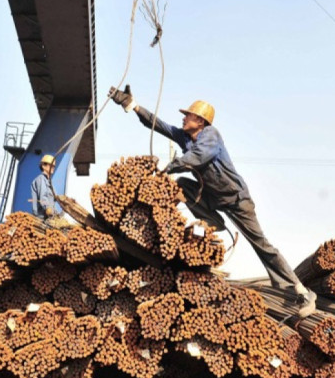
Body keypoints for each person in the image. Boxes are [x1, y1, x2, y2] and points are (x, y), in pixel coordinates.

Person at [109, 85, 316, 318]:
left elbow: (197, 157)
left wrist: (171, 166)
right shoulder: (186, 137)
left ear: (201, 120)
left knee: (261, 245)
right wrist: (132, 106)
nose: (184, 118)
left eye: (188, 115)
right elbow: (160, 125)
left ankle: (300, 290)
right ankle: (212, 222)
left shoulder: (210, 135)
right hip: (211, 196)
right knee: (181, 186)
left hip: (237, 200)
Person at [31, 154, 63, 219]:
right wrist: (48, 209)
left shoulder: (49, 182)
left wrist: (56, 213)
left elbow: (52, 202)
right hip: (42, 218)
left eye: (54, 166)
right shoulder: (41, 179)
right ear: (43, 166)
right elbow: (43, 197)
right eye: (51, 165)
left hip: (49, 218)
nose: (53, 168)